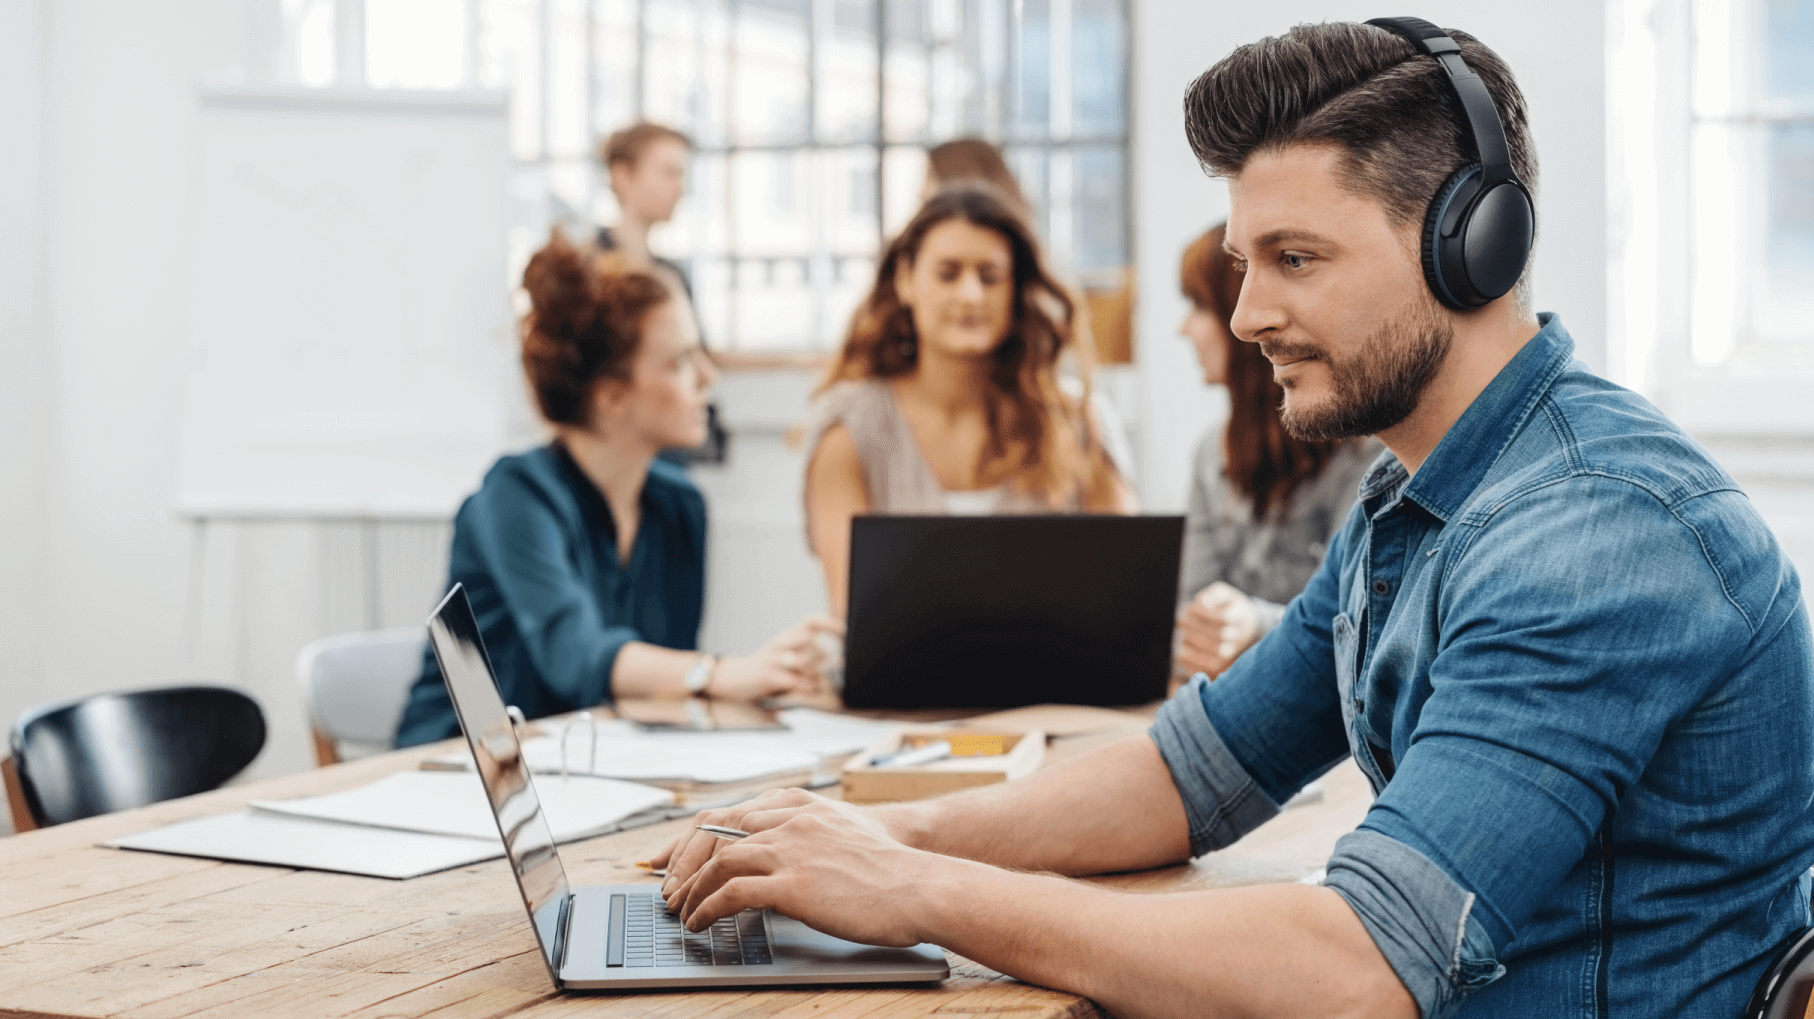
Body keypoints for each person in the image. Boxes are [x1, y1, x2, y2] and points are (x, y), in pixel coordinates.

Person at [650, 20, 1814, 1019]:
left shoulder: (1595, 536)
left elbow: (1356, 965)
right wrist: (888, 836)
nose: (1248, 312)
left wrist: (913, 892)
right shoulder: (1415, 496)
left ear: (1471, 246)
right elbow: (1193, 768)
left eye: (1295, 258)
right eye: (1242, 262)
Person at [394, 232, 837, 748]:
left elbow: (662, 693)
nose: (707, 378)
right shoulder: (514, 496)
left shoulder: (680, 507)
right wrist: (720, 674)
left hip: (589, 774)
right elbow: (574, 653)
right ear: (612, 397)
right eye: (680, 362)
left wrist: (778, 681)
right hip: (455, 778)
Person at [802, 184, 1136, 616]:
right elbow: (853, 612)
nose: (970, 295)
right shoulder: (849, 432)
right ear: (905, 281)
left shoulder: (1077, 422)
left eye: (990, 276)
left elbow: (1129, 591)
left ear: (1015, 289)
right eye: (948, 273)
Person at [1173, 224, 1378, 682]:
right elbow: (1185, 616)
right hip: (1233, 700)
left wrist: (1253, 624)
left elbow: (1361, 628)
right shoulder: (1212, 454)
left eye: (1200, 306)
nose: (1183, 328)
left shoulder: (1366, 456)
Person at [595, 120, 726, 463]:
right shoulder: (587, 272)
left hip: (668, 447)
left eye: (681, 175)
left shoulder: (672, 275)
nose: (679, 188)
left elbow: (700, 355)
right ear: (623, 176)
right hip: (612, 446)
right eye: (668, 172)